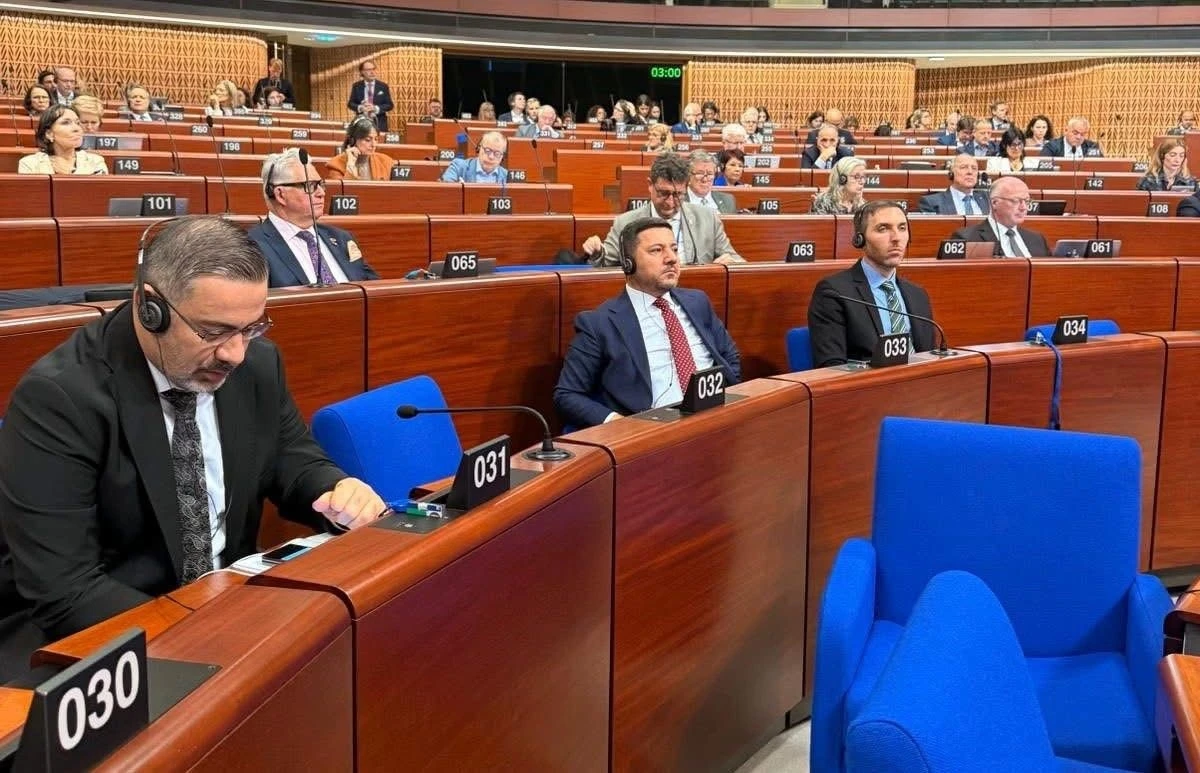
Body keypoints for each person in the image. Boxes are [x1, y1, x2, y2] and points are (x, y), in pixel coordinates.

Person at [0, 216, 387, 668]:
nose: (235, 354)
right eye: (214, 331)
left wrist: (335, 489)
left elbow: (291, 458)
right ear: (151, 308)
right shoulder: (60, 397)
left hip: (229, 612)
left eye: (251, 328)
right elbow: (66, 590)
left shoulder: (257, 364)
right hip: (110, 639)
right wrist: (206, 634)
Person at [554, 217, 741, 429]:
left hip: (717, 417)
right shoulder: (599, 323)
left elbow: (730, 356)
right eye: (657, 250)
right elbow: (567, 395)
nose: (671, 258)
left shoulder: (698, 302)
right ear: (628, 263)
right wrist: (620, 424)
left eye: (674, 249)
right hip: (655, 430)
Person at [807, 200, 936, 368]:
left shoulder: (918, 295)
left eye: (902, 228)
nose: (896, 238)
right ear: (860, 239)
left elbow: (930, 358)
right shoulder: (834, 293)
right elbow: (831, 367)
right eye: (883, 229)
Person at [581, 154, 745, 267]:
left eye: (678, 194)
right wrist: (596, 252)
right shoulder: (626, 222)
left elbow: (737, 260)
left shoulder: (707, 218)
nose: (670, 202)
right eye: (663, 193)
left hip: (695, 292)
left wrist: (730, 263)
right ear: (650, 185)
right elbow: (604, 262)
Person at [249, 148, 381, 287]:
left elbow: (373, 289)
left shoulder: (342, 238)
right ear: (280, 195)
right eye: (310, 186)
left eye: (321, 184)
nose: (321, 193)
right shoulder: (251, 249)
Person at [951, 177, 1050, 257]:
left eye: (1027, 201)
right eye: (1016, 201)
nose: (1023, 207)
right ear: (994, 203)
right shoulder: (967, 238)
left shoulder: (1037, 239)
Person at [18, 105, 108, 175]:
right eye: (66, 123)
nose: (76, 128)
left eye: (77, 123)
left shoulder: (95, 161)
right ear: (49, 134)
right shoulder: (30, 164)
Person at [325, 118, 397, 181]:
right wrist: (351, 164)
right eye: (368, 140)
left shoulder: (386, 162)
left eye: (376, 139)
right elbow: (342, 190)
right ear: (353, 140)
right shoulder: (336, 165)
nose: (373, 145)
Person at [918, 154, 990, 215]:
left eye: (974, 168)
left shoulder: (988, 198)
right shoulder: (931, 203)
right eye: (963, 167)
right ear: (951, 174)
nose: (970, 172)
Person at [440, 131, 508, 183]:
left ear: (502, 157)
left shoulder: (507, 176)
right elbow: (446, 190)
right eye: (487, 150)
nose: (491, 157)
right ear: (478, 149)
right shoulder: (458, 167)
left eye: (497, 153)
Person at [346, 60, 393, 130]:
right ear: (362, 72)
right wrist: (360, 108)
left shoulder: (383, 86)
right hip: (362, 123)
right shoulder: (356, 86)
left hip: (379, 123)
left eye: (373, 69)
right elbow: (350, 104)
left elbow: (389, 105)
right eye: (368, 70)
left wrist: (375, 108)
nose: (372, 72)